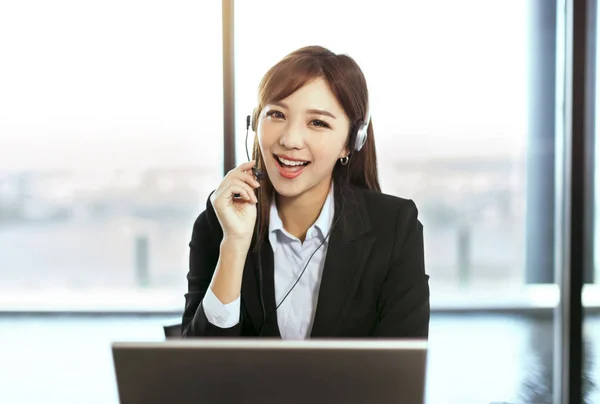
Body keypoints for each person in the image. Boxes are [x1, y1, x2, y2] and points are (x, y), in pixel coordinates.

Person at [181, 45, 430, 339]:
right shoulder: (219, 223)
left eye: (317, 122)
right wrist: (234, 246)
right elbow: (199, 371)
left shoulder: (395, 228)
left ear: (352, 141)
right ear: (255, 122)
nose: (290, 139)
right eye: (276, 114)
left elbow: (400, 371)